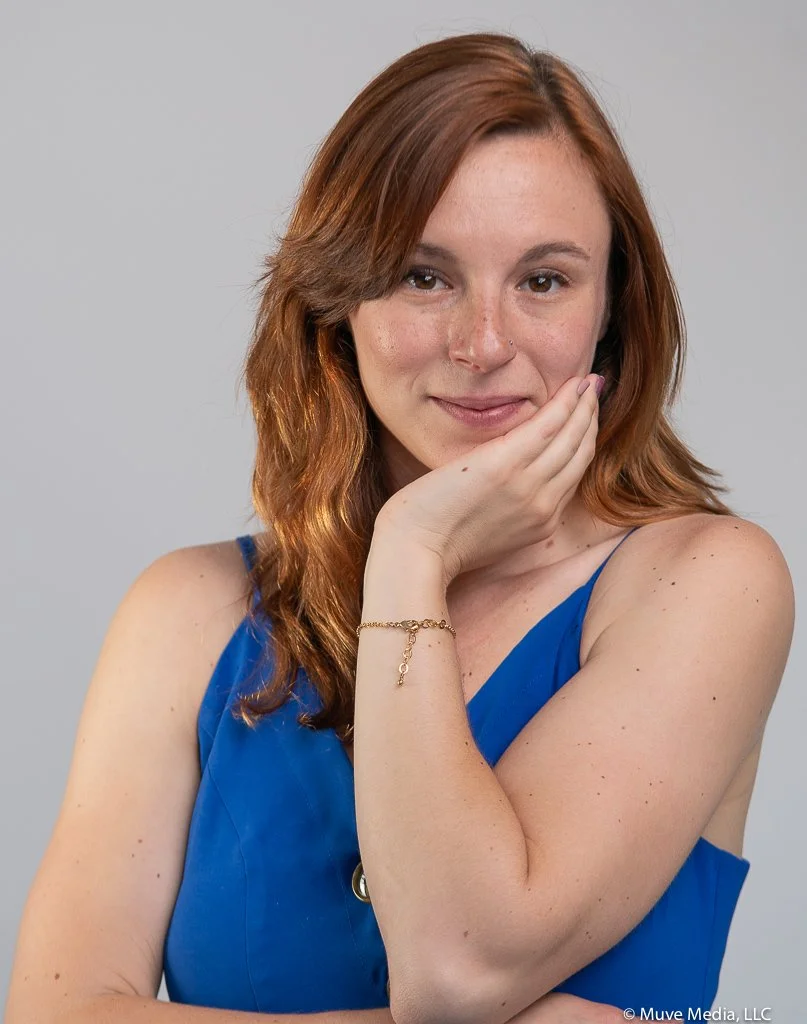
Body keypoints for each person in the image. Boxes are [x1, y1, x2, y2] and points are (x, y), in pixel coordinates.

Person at [5, 30, 794, 1024]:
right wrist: (412, 550)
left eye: (543, 280)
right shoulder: (186, 613)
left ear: (611, 308)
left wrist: (411, 552)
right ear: (338, 300)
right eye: (425, 275)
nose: (484, 344)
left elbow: (457, 971)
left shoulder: (705, 582)